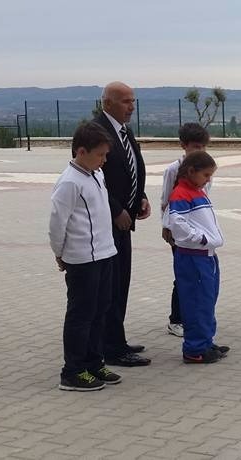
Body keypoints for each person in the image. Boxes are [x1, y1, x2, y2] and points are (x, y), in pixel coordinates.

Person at [50, 122, 122, 391]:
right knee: (81, 314)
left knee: (101, 309)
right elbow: (57, 222)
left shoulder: (95, 175)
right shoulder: (69, 182)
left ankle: (94, 362)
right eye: (100, 155)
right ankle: (72, 371)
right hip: (82, 259)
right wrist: (59, 252)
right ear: (82, 151)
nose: (104, 161)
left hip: (105, 253)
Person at [94, 82, 151, 367]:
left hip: (125, 223)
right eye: (125, 101)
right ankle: (110, 348)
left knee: (121, 282)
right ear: (107, 104)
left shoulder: (124, 131)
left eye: (133, 100)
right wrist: (117, 209)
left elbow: (132, 167)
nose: (131, 106)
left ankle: (117, 339)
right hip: (107, 222)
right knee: (111, 285)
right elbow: (97, 178)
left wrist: (140, 196)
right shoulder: (96, 133)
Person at [167, 151, 228, 363]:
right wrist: (201, 239)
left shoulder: (197, 191)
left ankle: (205, 341)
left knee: (208, 299)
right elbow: (178, 225)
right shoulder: (181, 194)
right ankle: (194, 349)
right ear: (191, 171)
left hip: (207, 256)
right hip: (193, 257)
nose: (208, 180)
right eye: (206, 175)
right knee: (196, 301)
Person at [160, 123, 211, 338]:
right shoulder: (174, 169)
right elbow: (166, 200)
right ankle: (176, 319)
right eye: (195, 147)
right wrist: (166, 226)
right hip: (180, 230)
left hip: (200, 229)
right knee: (183, 275)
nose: (199, 151)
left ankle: (194, 316)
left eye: (203, 147)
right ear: (183, 145)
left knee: (199, 275)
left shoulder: (206, 168)